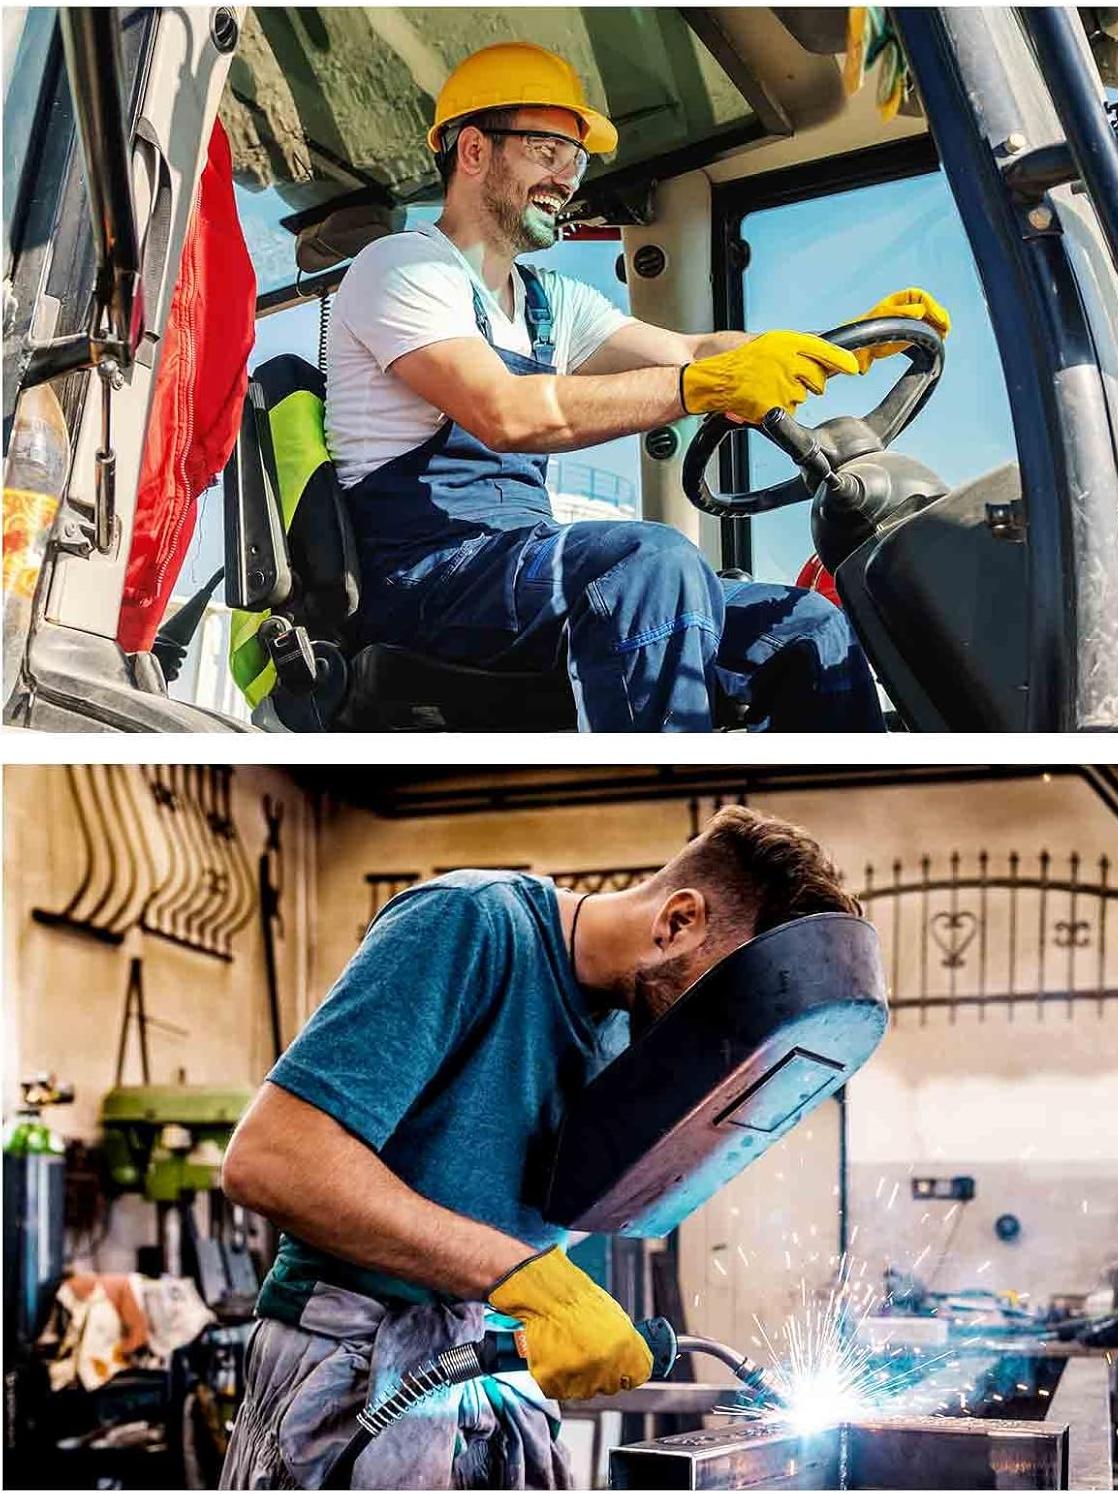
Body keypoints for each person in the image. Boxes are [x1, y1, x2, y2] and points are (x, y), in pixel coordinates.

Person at [218, 806, 860, 1488]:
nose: (713, 1043)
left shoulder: (629, 1038)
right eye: (718, 1011)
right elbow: (272, 1160)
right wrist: (522, 1278)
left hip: (487, 1378)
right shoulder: (470, 925)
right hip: (349, 1374)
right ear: (678, 922)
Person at [324, 41, 949, 731]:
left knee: (805, 626)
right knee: (650, 563)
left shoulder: (548, 301)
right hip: (425, 579)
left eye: (575, 159)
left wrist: (838, 346)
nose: (567, 179)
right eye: (547, 151)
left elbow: (697, 348)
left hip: (515, 566)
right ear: (473, 150)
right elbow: (502, 411)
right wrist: (701, 387)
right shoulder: (404, 269)